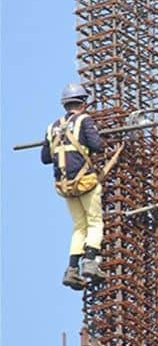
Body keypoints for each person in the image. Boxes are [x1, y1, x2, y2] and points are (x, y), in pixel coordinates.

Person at [41, 82, 107, 290]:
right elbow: (97, 146)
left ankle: (71, 270)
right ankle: (89, 262)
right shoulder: (84, 120)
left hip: (65, 186)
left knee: (79, 226)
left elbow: (45, 158)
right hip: (85, 181)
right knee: (95, 221)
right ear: (83, 103)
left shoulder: (52, 127)